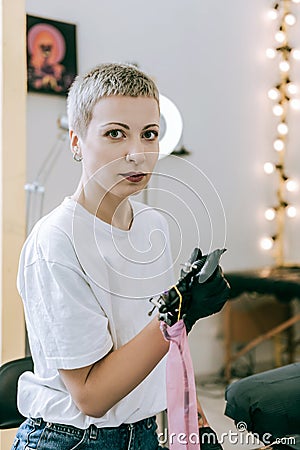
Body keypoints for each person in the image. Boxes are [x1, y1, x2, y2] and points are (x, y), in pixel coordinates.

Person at [12, 62, 229, 450]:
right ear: (76, 141)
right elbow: (92, 397)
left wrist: (193, 419)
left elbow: (164, 348)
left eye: (150, 135)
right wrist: (177, 313)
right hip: (72, 440)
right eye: (116, 134)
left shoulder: (154, 226)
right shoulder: (56, 242)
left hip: (143, 433)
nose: (137, 153)